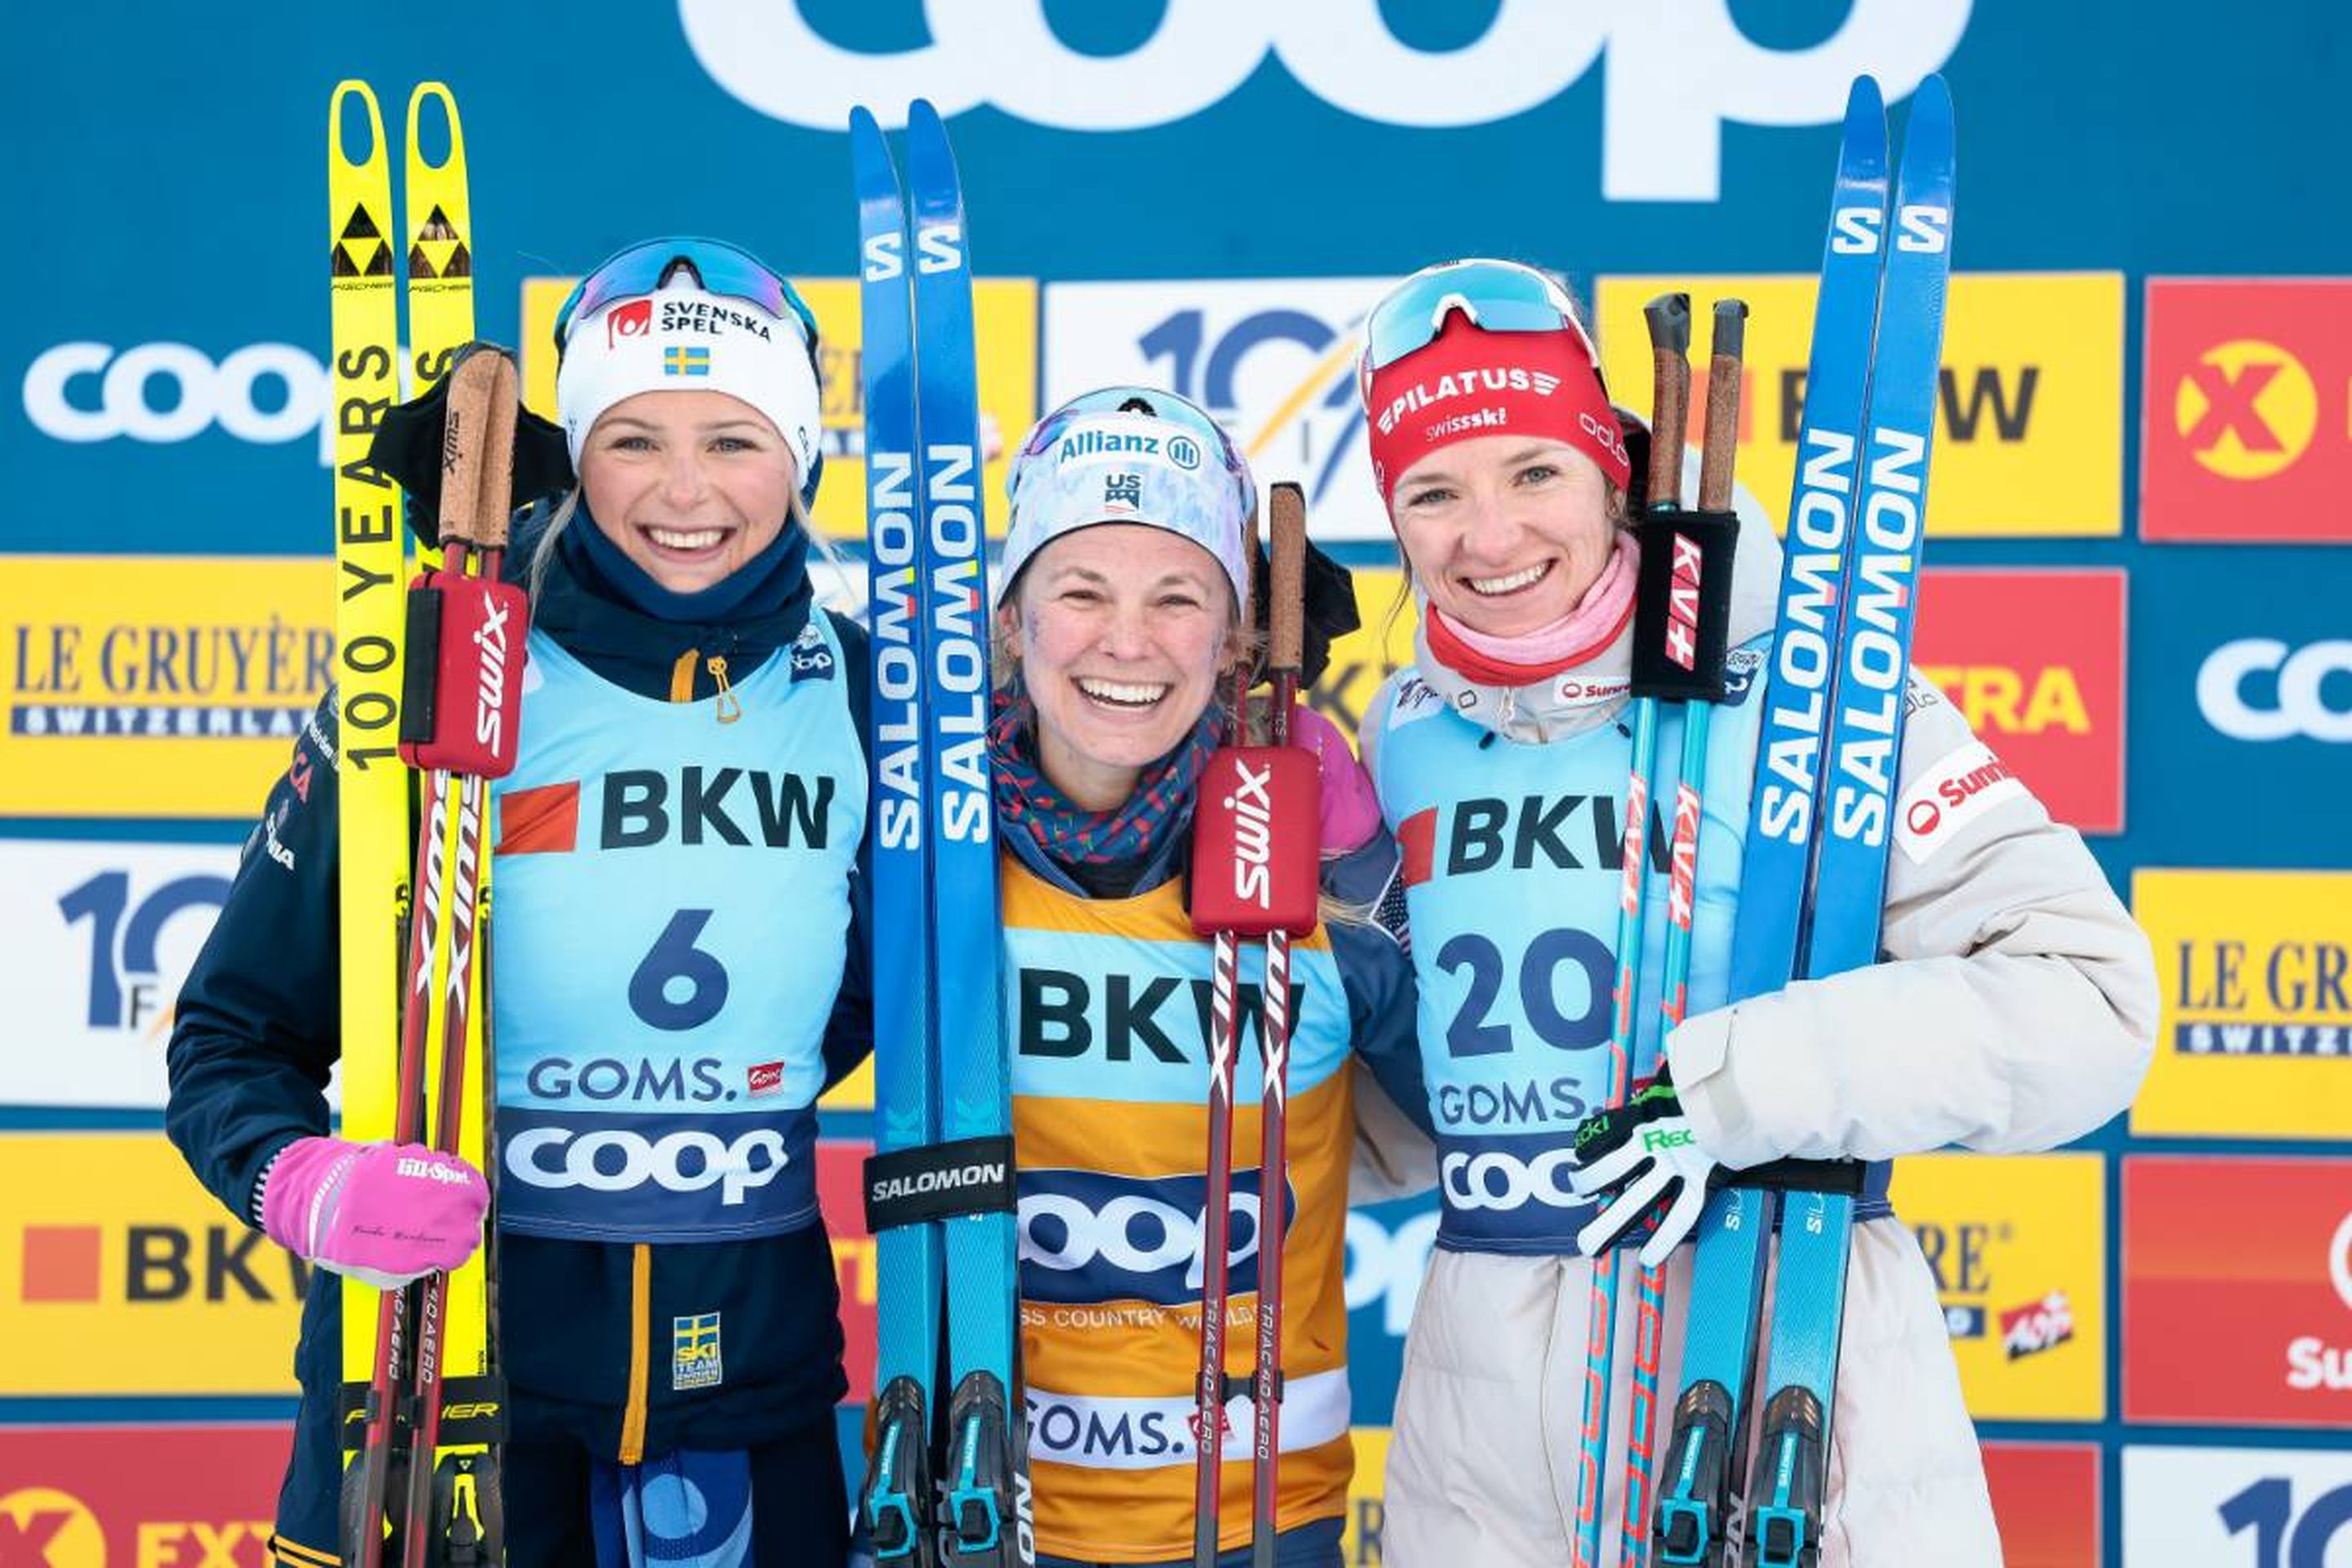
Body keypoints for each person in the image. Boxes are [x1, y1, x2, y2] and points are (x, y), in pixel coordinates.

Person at [1348, 259, 2158, 1566]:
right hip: (1478, 1448)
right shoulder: (1406, 738)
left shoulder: (1815, 692)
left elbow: (2090, 1004)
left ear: (1615, 472)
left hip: (1782, 1386)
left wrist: (1741, 1085)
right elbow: (1402, 1118)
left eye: (1534, 475)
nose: (1487, 539)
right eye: (1433, 493)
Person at [167, 238, 870, 1566]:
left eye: (733, 440)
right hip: (437, 1399)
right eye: (630, 438)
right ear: (569, 452)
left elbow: (901, 982)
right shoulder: (428, 685)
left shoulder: (874, 704)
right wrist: (298, 1181)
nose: (683, 491)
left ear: (802, 456)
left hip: (749, 1399)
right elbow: (228, 1036)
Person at [986, 387, 1427, 1567]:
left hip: (1258, 1529)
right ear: (1015, 620)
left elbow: (1485, 1118)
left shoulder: (1327, 847)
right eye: (1079, 591)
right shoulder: (935, 844)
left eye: (1178, 598)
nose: (1126, 642)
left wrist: (1373, 884)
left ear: (1237, 636)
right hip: (984, 1508)